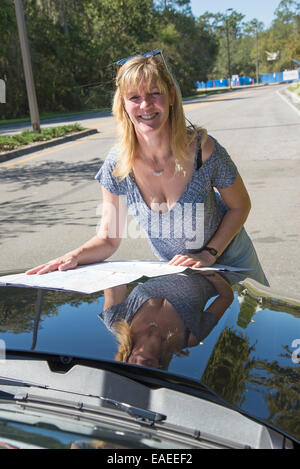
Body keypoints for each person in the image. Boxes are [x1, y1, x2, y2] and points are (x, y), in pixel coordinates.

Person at [26, 49, 268, 288]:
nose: (145, 105)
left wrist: (209, 253)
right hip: (182, 274)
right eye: (134, 98)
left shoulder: (203, 151)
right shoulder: (117, 166)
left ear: (171, 96)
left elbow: (240, 205)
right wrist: (74, 256)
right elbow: (109, 239)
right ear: (122, 104)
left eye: (155, 93)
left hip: (232, 263)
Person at [100, 271, 235, 369]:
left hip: (173, 255)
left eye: (135, 371)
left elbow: (112, 274)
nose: (141, 366)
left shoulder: (116, 321)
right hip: (223, 265)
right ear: (160, 369)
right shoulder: (190, 336)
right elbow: (226, 297)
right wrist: (209, 272)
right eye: (149, 374)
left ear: (125, 360)